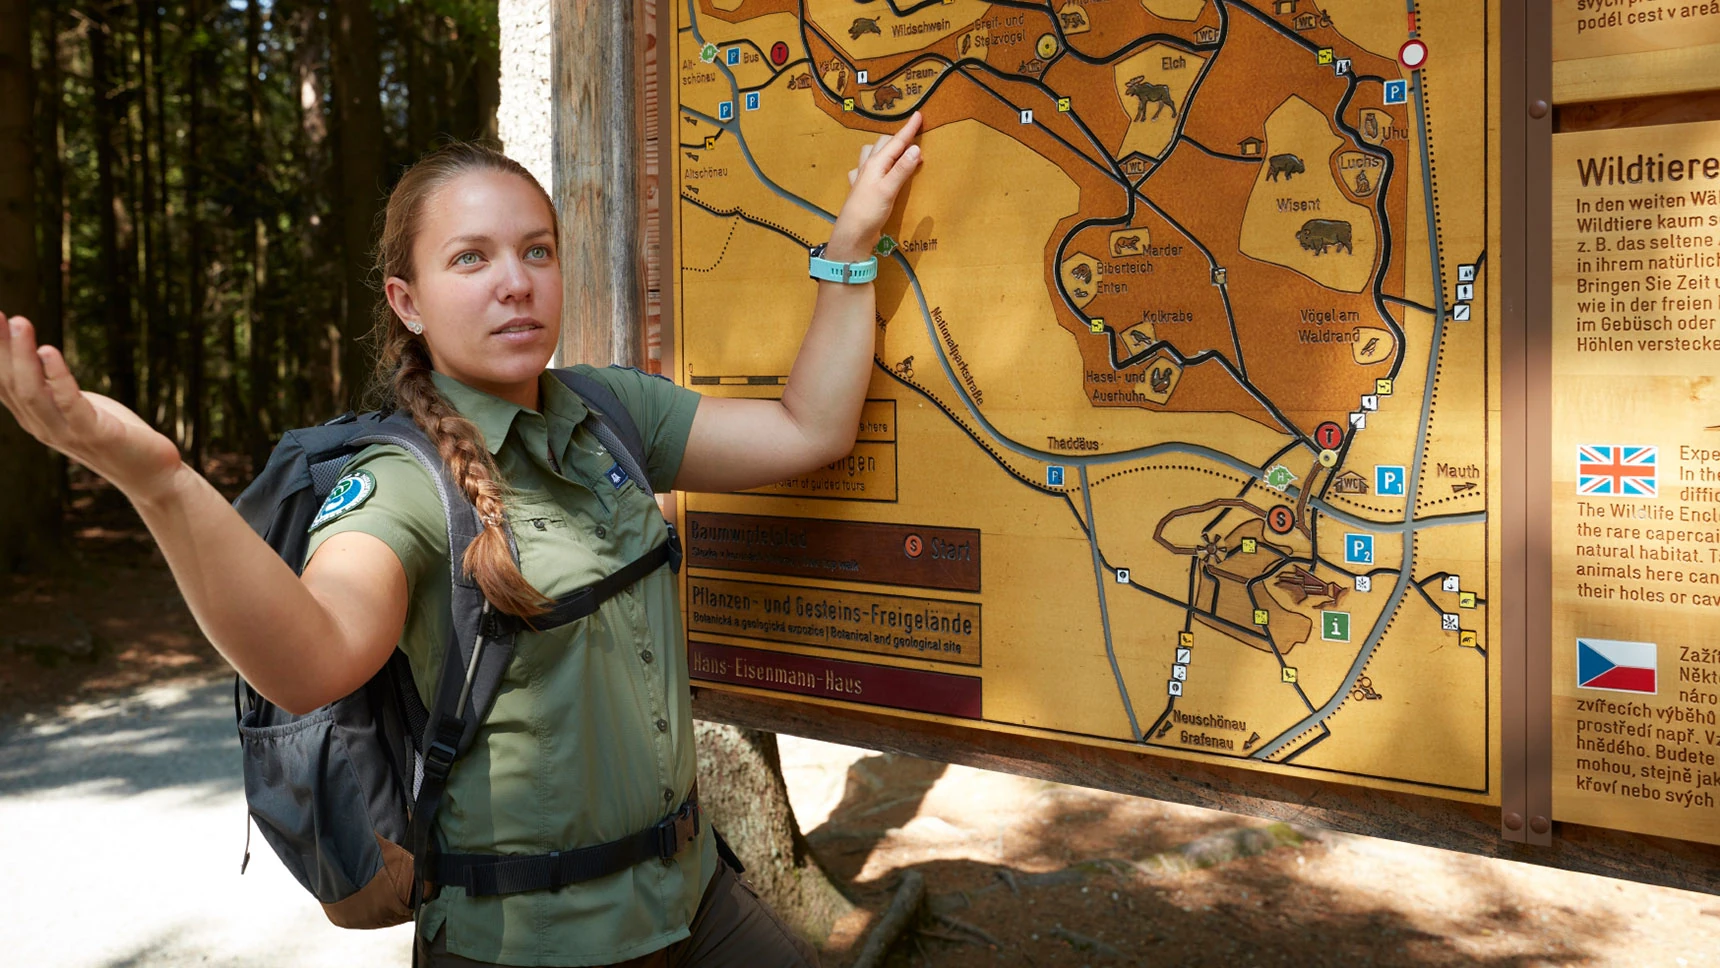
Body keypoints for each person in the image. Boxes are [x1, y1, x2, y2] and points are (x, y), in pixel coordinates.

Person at [0, 112, 924, 966]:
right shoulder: (402, 487)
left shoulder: (613, 412)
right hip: (532, 940)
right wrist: (159, 482)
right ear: (408, 300)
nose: (515, 281)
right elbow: (311, 657)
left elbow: (809, 430)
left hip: (697, 901)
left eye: (536, 250)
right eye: (471, 259)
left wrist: (849, 246)